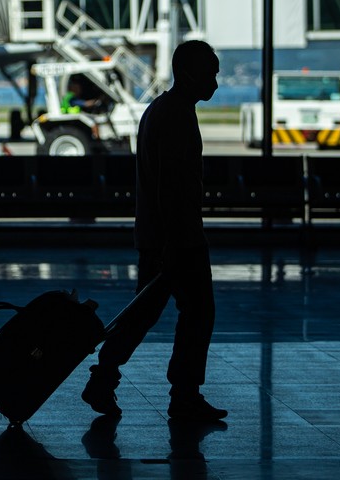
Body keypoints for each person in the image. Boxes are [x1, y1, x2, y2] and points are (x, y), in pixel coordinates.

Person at [81, 40, 227, 422]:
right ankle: (183, 395)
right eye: (211, 73)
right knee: (198, 312)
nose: (215, 81)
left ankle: (105, 378)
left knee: (143, 314)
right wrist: (175, 243)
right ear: (192, 73)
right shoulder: (176, 115)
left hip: (159, 235)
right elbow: (170, 186)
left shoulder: (161, 110)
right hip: (178, 238)